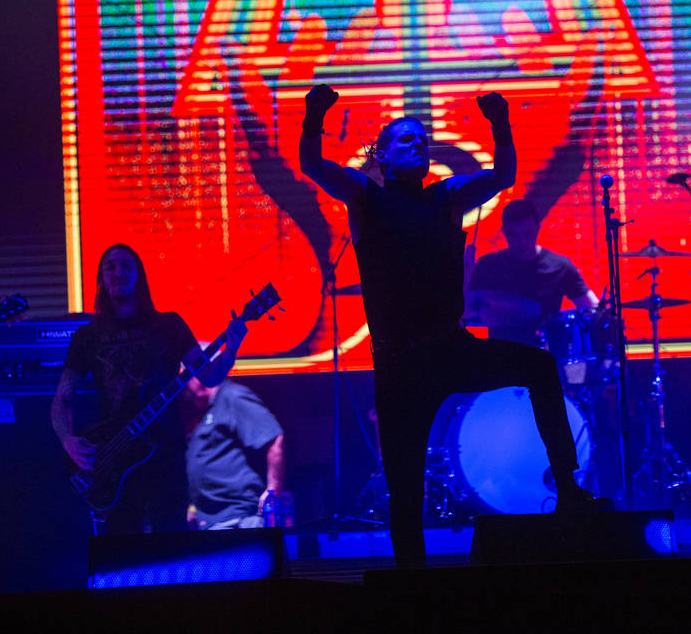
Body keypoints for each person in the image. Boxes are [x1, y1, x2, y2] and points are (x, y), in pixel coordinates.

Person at [299, 84, 608, 568]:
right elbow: (313, 166)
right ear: (382, 155)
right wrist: (315, 112)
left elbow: (504, 174)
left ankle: (567, 487)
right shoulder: (364, 198)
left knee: (541, 366)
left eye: (423, 139)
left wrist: (500, 122)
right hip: (400, 365)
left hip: (451, 348)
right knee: (405, 493)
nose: (419, 145)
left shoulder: (445, 197)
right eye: (406, 140)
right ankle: (414, 592)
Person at [51, 244, 247, 535]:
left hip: (165, 452)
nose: (119, 273)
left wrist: (232, 346)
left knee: (172, 542)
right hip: (113, 459)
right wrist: (67, 440)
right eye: (111, 267)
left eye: (127, 266)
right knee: (122, 549)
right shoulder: (87, 336)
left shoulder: (169, 325)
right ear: (101, 279)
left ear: (139, 276)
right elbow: (62, 400)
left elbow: (208, 375)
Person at [468, 198, 598, 346]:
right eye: (514, 235)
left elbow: (591, 308)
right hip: (502, 357)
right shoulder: (488, 265)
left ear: (538, 228)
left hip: (547, 356)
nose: (522, 241)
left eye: (528, 234)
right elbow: (469, 309)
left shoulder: (560, 266)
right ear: (504, 232)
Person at [180, 377, 284, 530]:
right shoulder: (204, 410)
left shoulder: (232, 396)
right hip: (213, 520)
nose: (186, 386)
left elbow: (273, 438)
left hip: (239, 518)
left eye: (188, 377)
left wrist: (273, 490)